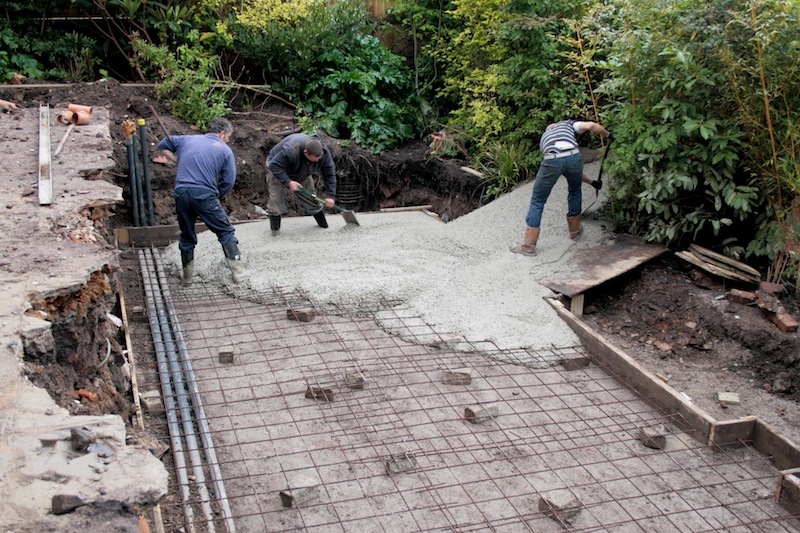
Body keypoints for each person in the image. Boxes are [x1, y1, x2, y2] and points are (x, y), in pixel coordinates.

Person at [157, 117, 246, 284]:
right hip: (204, 194)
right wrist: (217, 195)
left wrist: (178, 161)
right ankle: (239, 274)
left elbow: (163, 144)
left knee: (187, 235)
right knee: (225, 232)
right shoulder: (224, 150)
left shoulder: (186, 139)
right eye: (228, 136)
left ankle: (187, 278)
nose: (228, 140)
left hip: (181, 193)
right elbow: (229, 181)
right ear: (222, 133)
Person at [511, 119, 610, 256]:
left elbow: (559, 162)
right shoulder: (568, 125)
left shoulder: (545, 138)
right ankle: (575, 232)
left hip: (552, 158)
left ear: (548, 130)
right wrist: (608, 134)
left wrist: (592, 182)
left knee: (538, 200)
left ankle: (528, 246)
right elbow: (591, 126)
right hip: (573, 156)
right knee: (575, 191)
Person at [265, 132, 336, 235]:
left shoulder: (323, 152)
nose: (317, 161)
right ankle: (275, 233)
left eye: (319, 158)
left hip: (302, 169)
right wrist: (289, 182)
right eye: (315, 158)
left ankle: (323, 226)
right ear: (306, 152)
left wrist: (330, 195)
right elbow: (274, 165)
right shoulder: (290, 150)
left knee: (312, 198)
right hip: (279, 168)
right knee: (275, 201)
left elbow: (329, 172)